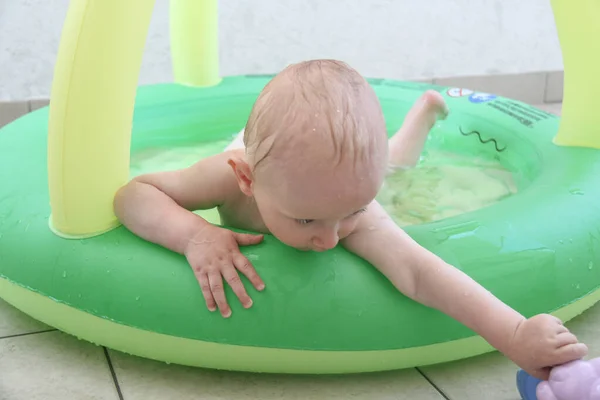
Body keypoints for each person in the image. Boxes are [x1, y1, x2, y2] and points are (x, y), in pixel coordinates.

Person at [114, 59, 586, 380]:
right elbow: (135, 194)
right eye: (305, 223)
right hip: (282, 159)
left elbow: (419, 272)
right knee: (385, 167)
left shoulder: (342, 201)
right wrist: (195, 235)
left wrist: (516, 334)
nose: (330, 238)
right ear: (246, 181)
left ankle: (420, 117)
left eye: (351, 214)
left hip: (342, 174)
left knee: (396, 165)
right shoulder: (230, 173)